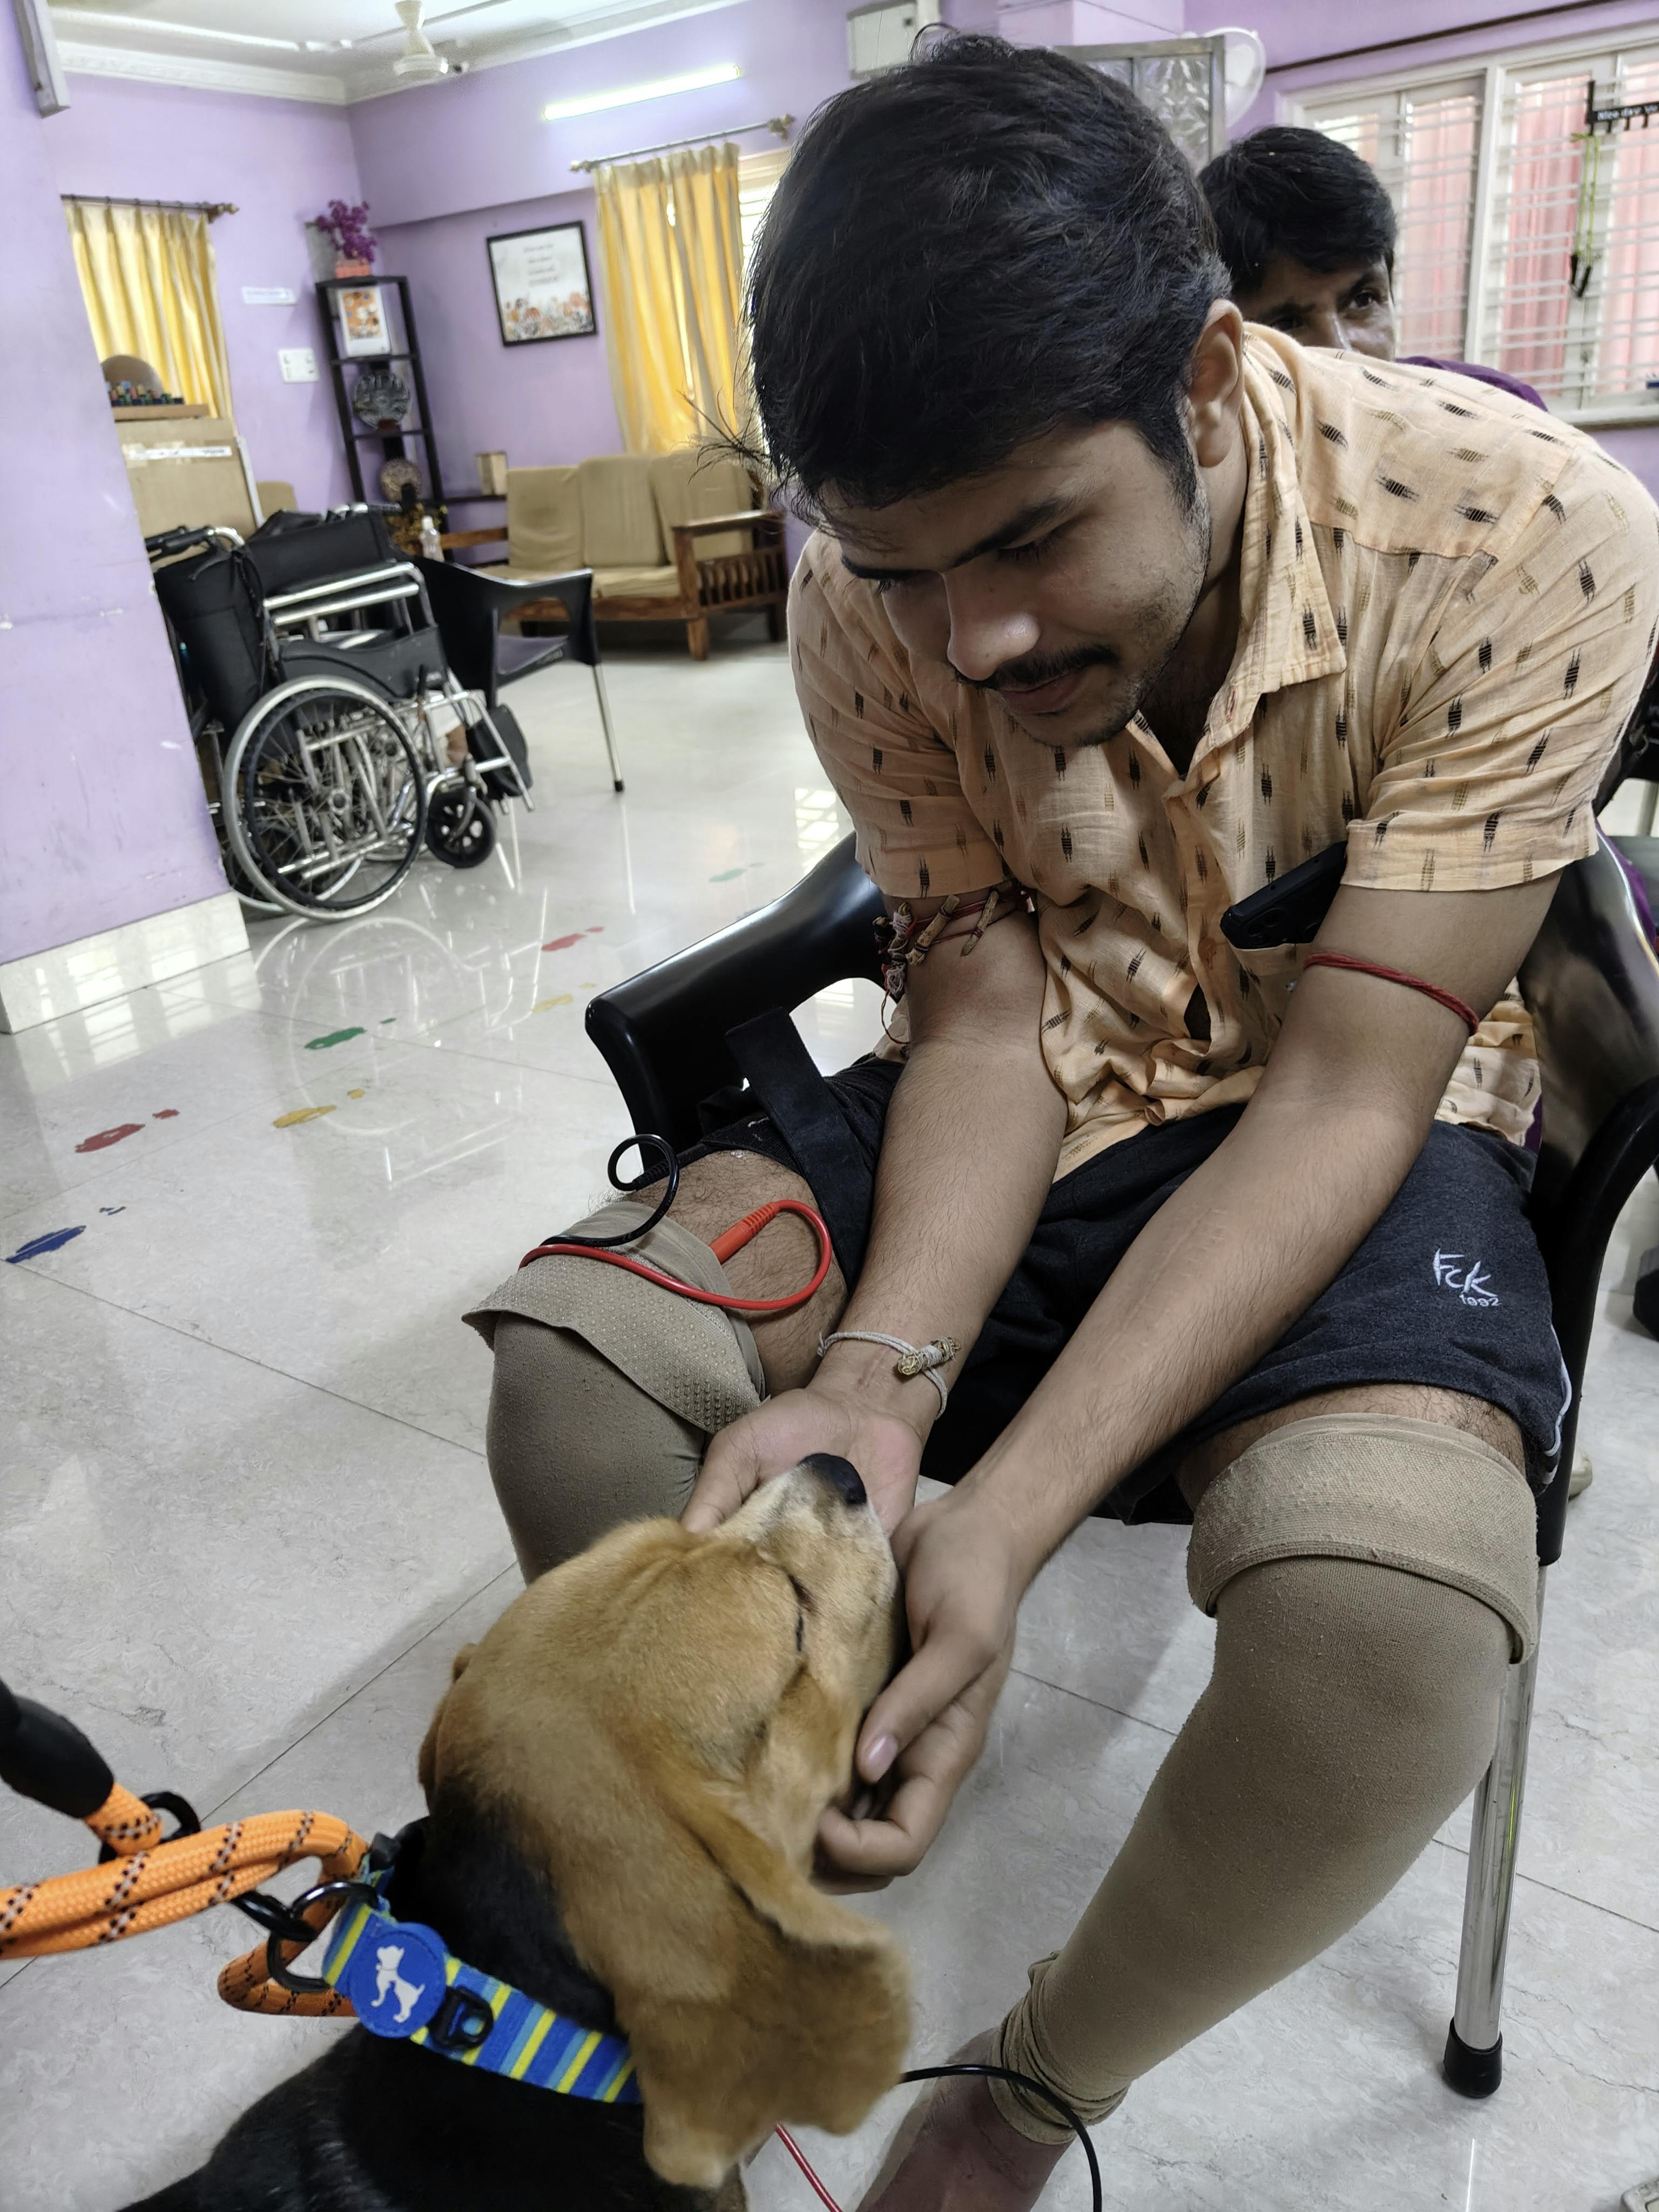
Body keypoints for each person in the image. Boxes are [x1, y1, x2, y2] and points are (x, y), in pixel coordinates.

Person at [468, 37, 1658, 2209]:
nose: (970, 633)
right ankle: (722, 1967)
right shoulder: (877, 588)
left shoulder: (1530, 531)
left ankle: (1020, 2096)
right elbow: (986, 1000)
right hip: (1038, 1067)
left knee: (1396, 1617)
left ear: (1207, 379)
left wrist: (997, 1520)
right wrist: (877, 1399)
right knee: (576, 1384)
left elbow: (1351, 1083)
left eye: (1030, 539)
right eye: (900, 569)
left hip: (1347, 1105)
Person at [1198, 124, 1546, 404]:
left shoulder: (1501, 418)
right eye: (1289, 323)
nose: (1344, 352)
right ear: (1225, 344)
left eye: (1363, 300)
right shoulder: (1218, 473)